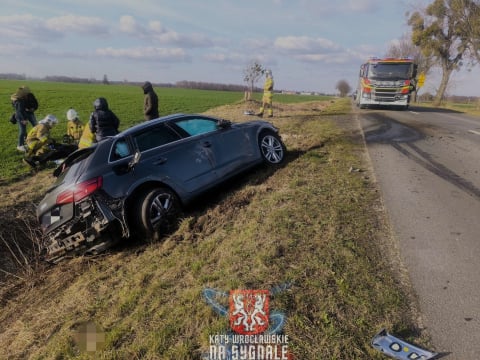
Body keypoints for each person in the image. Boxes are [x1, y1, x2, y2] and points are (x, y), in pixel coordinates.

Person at [10, 86, 38, 152]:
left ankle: (30, 139)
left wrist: (33, 108)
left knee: (36, 126)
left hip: (29, 113)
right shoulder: (18, 100)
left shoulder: (30, 95)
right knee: (22, 131)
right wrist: (23, 120)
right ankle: (19, 145)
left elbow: (35, 103)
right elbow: (19, 111)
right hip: (20, 116)